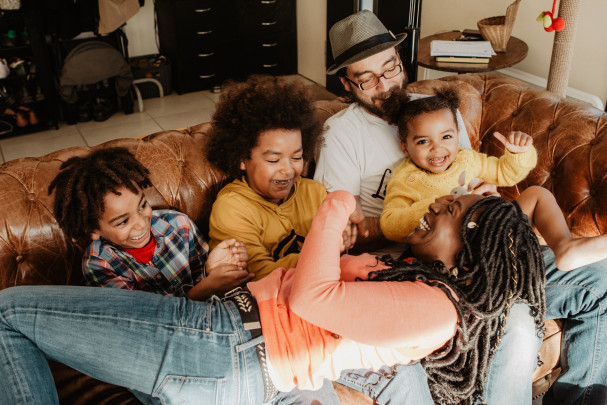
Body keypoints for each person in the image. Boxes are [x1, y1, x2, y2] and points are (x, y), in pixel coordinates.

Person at [0, 190, 546, 405]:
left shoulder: (437, 311)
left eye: (451, 210)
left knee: (8, 312)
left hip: (230, 346)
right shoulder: (411, 278)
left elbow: (310, 298)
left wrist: (334, 205)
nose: (439, 200)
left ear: (469, 252)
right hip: (219, 335)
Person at [317, 10, 607, 405]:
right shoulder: (342, 136)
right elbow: (344, 230)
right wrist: (378, 226)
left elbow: (468, 171)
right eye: (367, 79)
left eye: (390, 68)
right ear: (346, 83)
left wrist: (484, 190)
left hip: (480, 244)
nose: (385, 85)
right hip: (425, 262)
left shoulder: (432, 106)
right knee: (518, 323)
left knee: (602, 281)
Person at [48, 147, 252, 301]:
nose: (141, 224)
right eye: (123, 221)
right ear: (92, 229)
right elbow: (147, 319)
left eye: (142, 205)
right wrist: (204, 290)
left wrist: (212, 268)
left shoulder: (179, 224)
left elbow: (205, 278)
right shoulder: (99, 264)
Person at [206, 75, 330, 282]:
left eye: (297, 157)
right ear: (241, 158)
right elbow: (258, 275)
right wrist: (328, 251)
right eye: (273, 160)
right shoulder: (232, 208)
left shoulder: (314, 193)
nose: (288, 170)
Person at [380, 87, 537, 241]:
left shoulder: (467, 159)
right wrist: (432, 207)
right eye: (423, 141)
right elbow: (389, 225)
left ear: (457, 136)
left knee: (537, 194)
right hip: (449, 247)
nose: (437, 148)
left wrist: (518, 153)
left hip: (488, 233)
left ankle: (560, 244)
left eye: (446, 137)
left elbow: (504, 174)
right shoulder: (406, 179)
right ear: (405, 148)